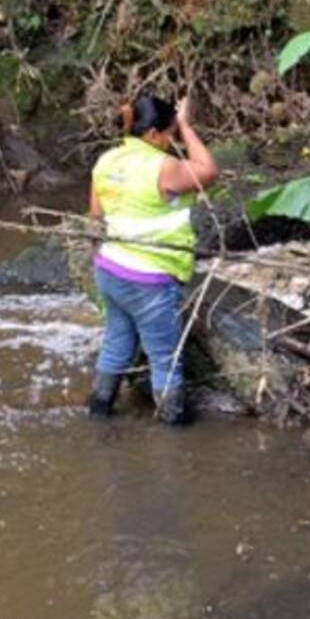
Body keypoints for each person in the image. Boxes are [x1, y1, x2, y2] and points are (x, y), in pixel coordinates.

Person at [87, 92, 218, 423]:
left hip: (110, 270)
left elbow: (96, 213)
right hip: (149, 280)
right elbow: (208, 171)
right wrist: (187, 126)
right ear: (154, 134)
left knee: (116, 345)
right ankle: (172, 437)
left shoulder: (106, 161)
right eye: (170, 134)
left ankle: (98, 413)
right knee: (166, 360)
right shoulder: (164, 167)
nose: (170, 141)